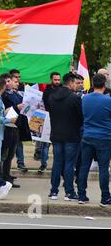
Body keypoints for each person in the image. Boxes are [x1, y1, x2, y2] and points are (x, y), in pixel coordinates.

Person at [47, 72, 83, 201]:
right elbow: (80, 117)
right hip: (72, 135)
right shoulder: (74, 98)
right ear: (71, 83)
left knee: (57, 163)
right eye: (75, 83)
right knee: (69, 164)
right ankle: (69, 192)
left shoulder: (51, 96)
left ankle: (53, 191)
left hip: (56, 134)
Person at [77, 73, 111, 207]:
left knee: (84, 166)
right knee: (103, 168)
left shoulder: (85, 99)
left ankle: (81, 195)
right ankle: (105, 197)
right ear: (104, 84)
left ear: (92, 83)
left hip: (87, 136)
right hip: (104, 137)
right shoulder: (108, 100)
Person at [0, 73, 23, 187]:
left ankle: (6, 176)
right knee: (3, 154)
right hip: (6, 126)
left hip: (15, 126)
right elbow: (3, 111)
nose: (10, 83)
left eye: (10, 81)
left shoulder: (16, 94)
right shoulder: (2, 96)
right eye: (7, 81)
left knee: (10, 154)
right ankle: (0, 178)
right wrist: (16, 107)